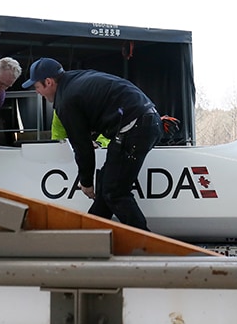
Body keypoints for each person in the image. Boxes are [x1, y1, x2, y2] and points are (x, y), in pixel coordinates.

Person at [21, 57, 162, 230]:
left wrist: (86, 181)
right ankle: (90, 234)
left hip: (135, 126)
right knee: (106, 186)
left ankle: (145, 244)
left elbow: (82, 147)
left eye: (37, 87)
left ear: (48, 82)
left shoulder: (66, 101)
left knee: (114, 192)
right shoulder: (77, 79)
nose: (37, 93)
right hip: (146, 120)